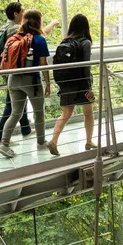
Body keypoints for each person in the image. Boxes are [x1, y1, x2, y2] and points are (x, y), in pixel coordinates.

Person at [0, 2, 59, 145]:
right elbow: (44, 64)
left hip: (13, 79)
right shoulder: (39, 39)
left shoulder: (16, 36)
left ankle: (3, 143)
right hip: (31, 81)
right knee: (39, 112)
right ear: (39, 21)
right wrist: (48, 83)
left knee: (15, 113)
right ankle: (41, 143)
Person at [46, 14, 95, 156]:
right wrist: (89, 87)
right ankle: (89, 141)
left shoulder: (65, 41)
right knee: (88, 113)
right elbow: (86, 66)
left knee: (66, 113)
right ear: (86, 27)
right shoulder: (85, 42)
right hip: (81, 83)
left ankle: (54, 140)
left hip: (66, 83)